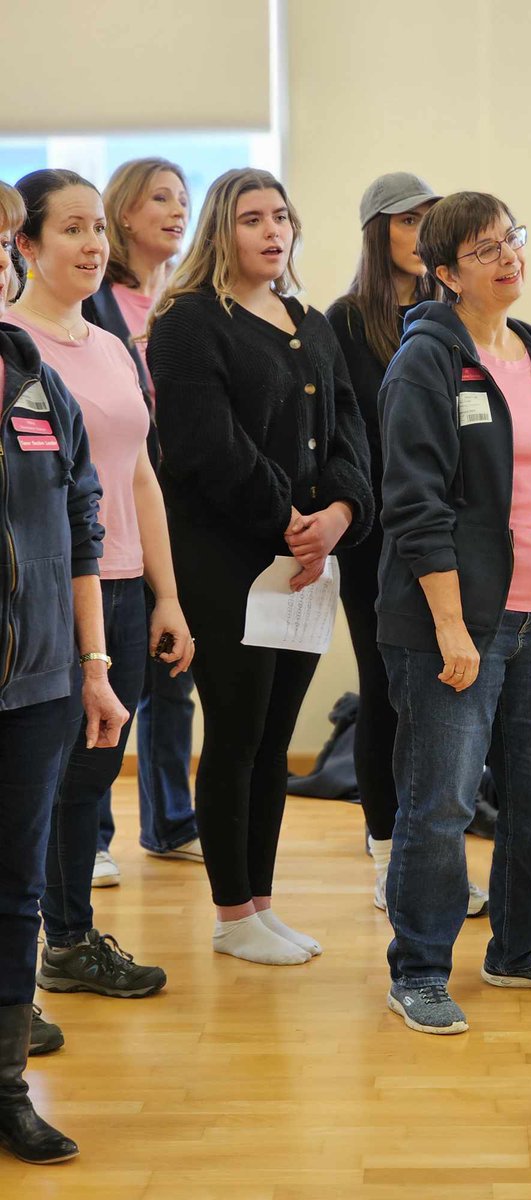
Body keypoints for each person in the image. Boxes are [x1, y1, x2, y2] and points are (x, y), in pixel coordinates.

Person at [378, 190, 531, 1036]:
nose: (509, 255)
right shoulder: (425, 363)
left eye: (511, 238)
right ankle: (419, 970)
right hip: (457, 623)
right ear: (444, 274)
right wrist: (447, 625)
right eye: (483, 249)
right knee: (438, 804)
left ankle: (520, 946)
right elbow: (413, 505)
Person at [148, 168, 373, 965]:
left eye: (281, 216)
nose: (272, 232)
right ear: (222, 230)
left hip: (307, 561)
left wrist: (339, 515)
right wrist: (287, 523)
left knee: (276, 742)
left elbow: (349, 433)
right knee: (237, 733)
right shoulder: (186, 321)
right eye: (253, 219)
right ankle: (230, 912)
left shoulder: (308, 321)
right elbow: (207, 446)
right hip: (230, 559)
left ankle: (262, 904)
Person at [9, 168, 194, 999]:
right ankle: (50, 944)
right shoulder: (14, 346)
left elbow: (141, 477)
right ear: (27, 245)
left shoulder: (114, 345)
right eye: (72, 230)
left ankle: (69, 940)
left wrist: (167, 595)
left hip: (120, 583)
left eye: (97, 231)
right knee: (45, 779)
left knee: (91, 772)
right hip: (47, 594)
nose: (92, 245)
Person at [0, 179, 128, 1165]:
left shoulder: (28, 369)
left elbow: (83, 522)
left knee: (17, 891)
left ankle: (5, 1089)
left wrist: (92, 664)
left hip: (39, 679)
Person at [326, 171, 487, 917]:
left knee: (447, 701)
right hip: (375, 538)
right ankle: (389, 853)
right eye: (407, 220)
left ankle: (436, 860)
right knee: (387, 692)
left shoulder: (452, 316)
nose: (421, 234)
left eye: (431, 220)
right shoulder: (345, 322)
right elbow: (342, 434)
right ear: (375, 231)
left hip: (451, 535)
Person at [82, 157, 200, 883]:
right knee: (107, 679)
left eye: (183, 201)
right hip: (109, 507)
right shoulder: (97, 305)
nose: (176, 211)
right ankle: (93, 836)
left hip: (178, 505)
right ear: (123, 214)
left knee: (171, 675)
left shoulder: (189, 304)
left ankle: (170, 820)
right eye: (160, 199)